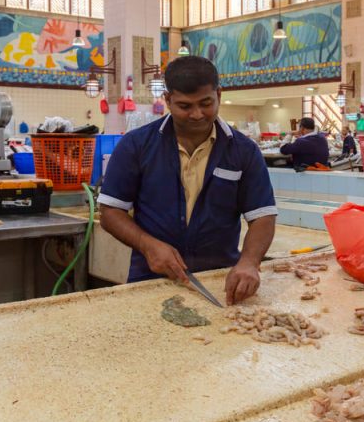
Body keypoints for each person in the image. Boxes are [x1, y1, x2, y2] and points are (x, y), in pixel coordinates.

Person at [97, 56, 277, 304]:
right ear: (168, 100)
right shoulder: (137, 146)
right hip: (151, 278)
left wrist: (249, 262)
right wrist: (148, 245)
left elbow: (263, 215)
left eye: (206, 103)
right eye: (185, 106)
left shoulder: (243, 151)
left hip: (221, 281)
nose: (197, 114)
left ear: (219, 95)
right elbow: (109, 212)